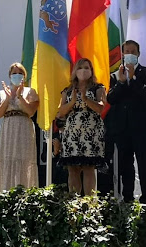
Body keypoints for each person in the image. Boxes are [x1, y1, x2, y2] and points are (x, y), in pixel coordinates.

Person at [106, 40, 146, 203]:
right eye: (126, 51)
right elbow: (111, 98)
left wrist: (133, 77)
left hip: (141, 126)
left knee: (143, 161)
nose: (129, 54)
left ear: (138, 54)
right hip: (121, 127)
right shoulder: (115, 76)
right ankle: (127, 196)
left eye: (133, 51)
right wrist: (121, 82)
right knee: (125, 163)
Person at [56, 58, 106, 196]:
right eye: (80, 68)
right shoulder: (68, 90)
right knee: (73, 168)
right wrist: (72, 101)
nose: (83, 71)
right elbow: (61, 111)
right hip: (72, 132)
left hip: (91, 132)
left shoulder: (98, 88)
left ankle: (90, 202)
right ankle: (74, 201)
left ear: (91, 71)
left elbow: (100, 108)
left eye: (86, 68)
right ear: (75, 71)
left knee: (89, 167)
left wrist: (86, 99)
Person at [0, 63, 39, 196]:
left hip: (24, 127)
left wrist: (20, 96)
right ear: (10, 76)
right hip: (8, 128)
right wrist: (8, 98)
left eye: (20, 72)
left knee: (23, 161)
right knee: (6, 161)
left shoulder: (31, 91)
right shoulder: (2, 92)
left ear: (24, 75)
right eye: (14, 73)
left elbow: (31, 111)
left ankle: (23, 195)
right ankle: (4, 195)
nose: (17, 75)